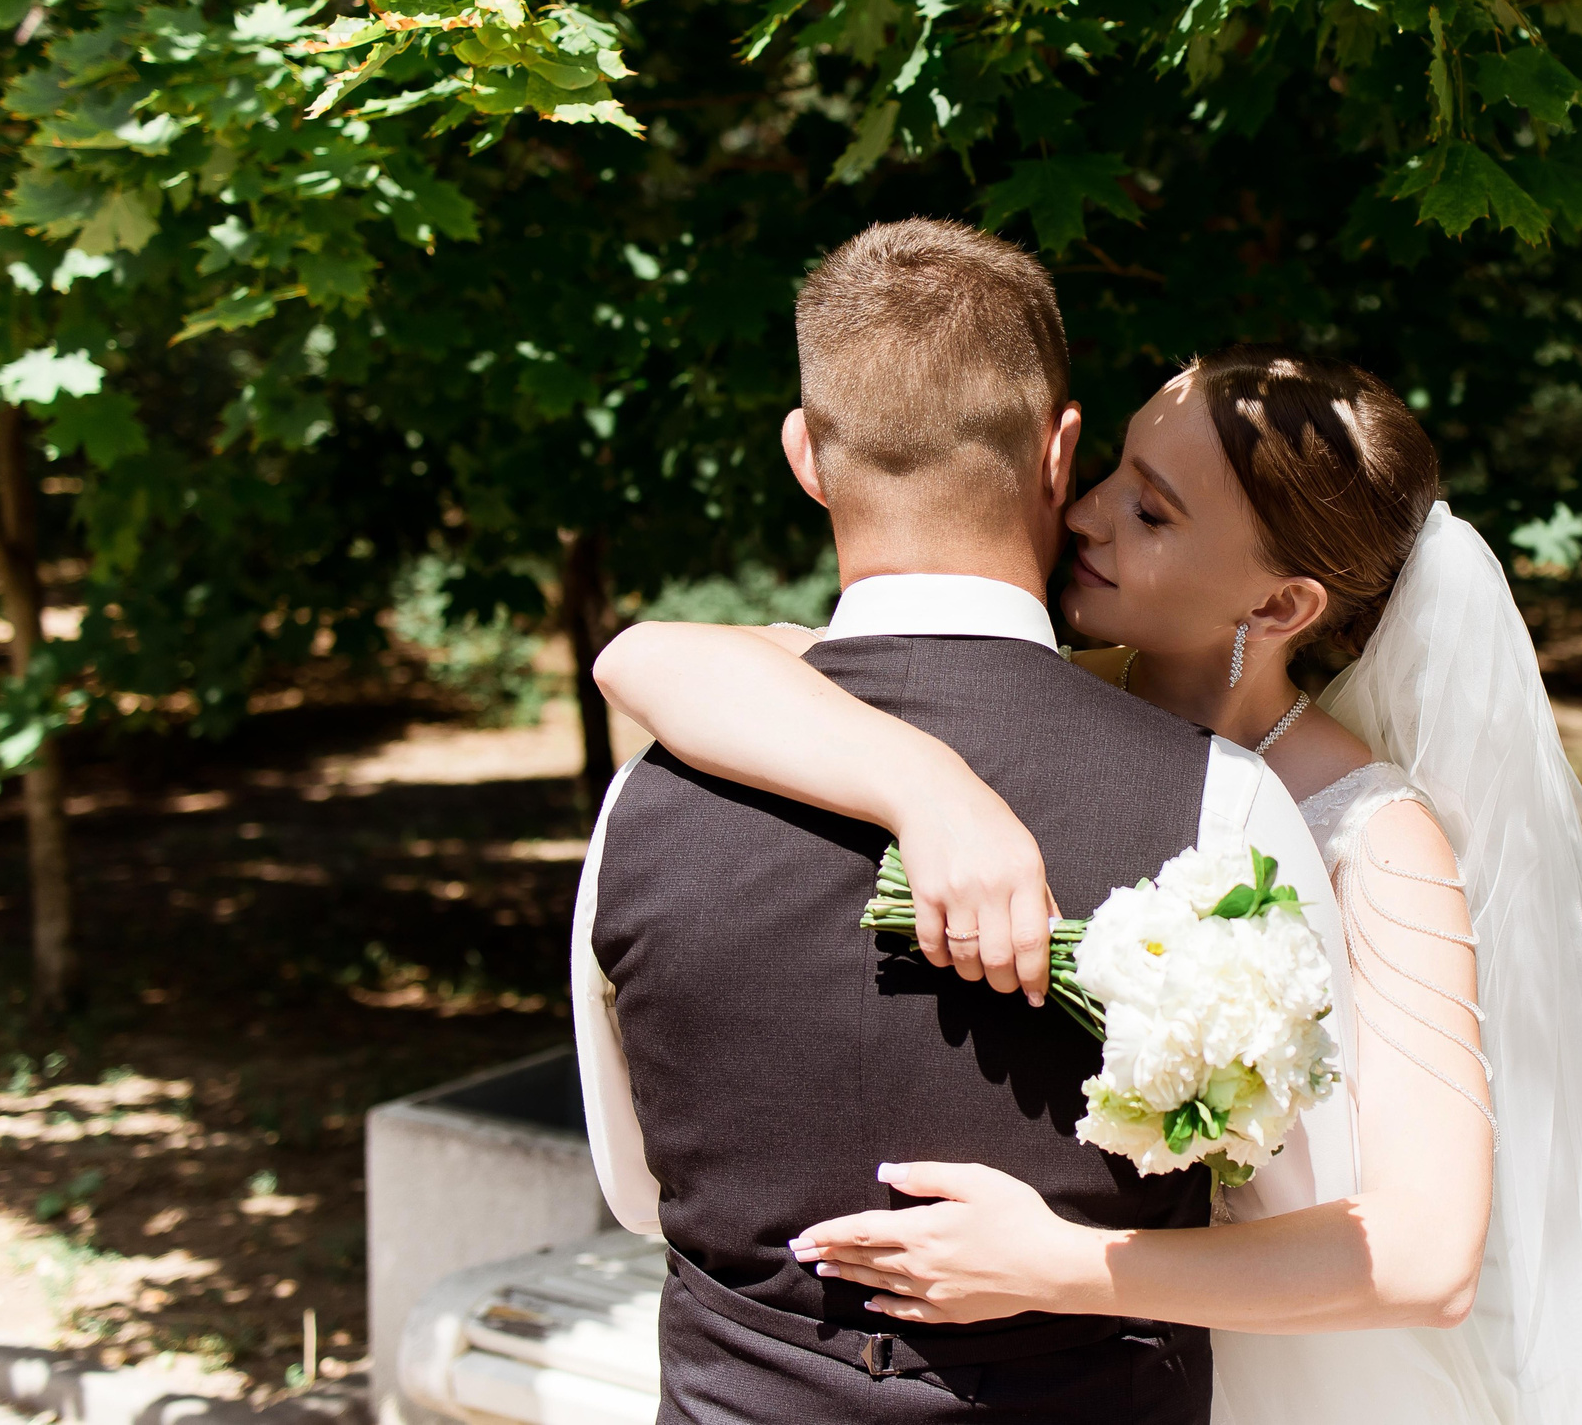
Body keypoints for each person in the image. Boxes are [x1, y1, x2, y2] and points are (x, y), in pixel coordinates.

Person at [596, 338, 1582, 1425]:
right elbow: (647, 658)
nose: (1087, 515)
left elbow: (1428, 1256)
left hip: (1275, 1371)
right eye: (1112, 471)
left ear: (1280, 605)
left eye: (1154, 514)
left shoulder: (1378, 841)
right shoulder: (1050, 698)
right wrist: (929, 788)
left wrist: (1058, 1263)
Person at [572, 218, 1373, 1425]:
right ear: (1060, 452)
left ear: (805, 455)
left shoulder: (649, 788)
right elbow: (1296, 1189)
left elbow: (640, 1190)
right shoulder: (1224, 801)